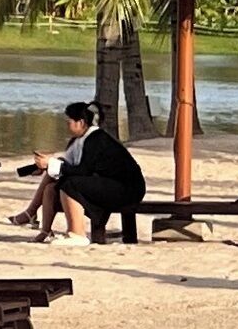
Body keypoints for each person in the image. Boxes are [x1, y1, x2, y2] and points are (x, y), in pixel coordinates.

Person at [20, 100, 146, 240]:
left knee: (70, 184)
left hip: (127, 190)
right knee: (51, 188)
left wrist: (51, 163)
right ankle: (45, 231)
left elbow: (83, 171)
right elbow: (69, 165)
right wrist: (45, 166)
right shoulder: (80, 139)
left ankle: (76, 234)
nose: (66, 125)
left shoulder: (96, 140)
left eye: (69, 121)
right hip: (107, 183)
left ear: (80, 122)